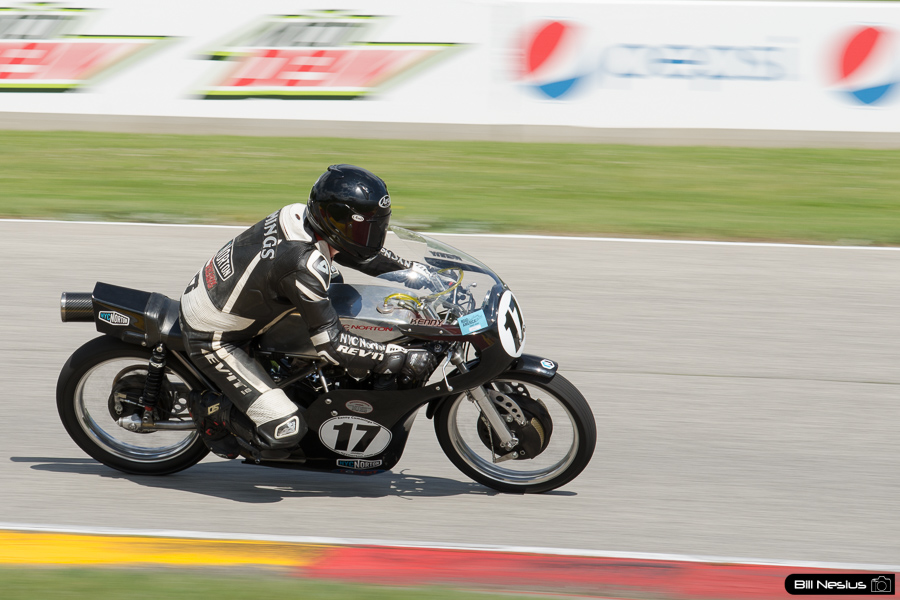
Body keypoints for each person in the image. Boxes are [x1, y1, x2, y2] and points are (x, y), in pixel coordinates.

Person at [179, 164, 437, 458]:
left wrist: (422, 274)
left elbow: (360, 254)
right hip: (216, 335)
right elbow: (332, 343)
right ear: (334, 220)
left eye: (376, 226)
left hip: (234, 298)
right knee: (285, 431)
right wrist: (396, 358)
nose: (372, 235)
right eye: (363, 227)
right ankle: (210, 409)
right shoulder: (302, 264)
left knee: (337, 290)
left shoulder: (299, 215)